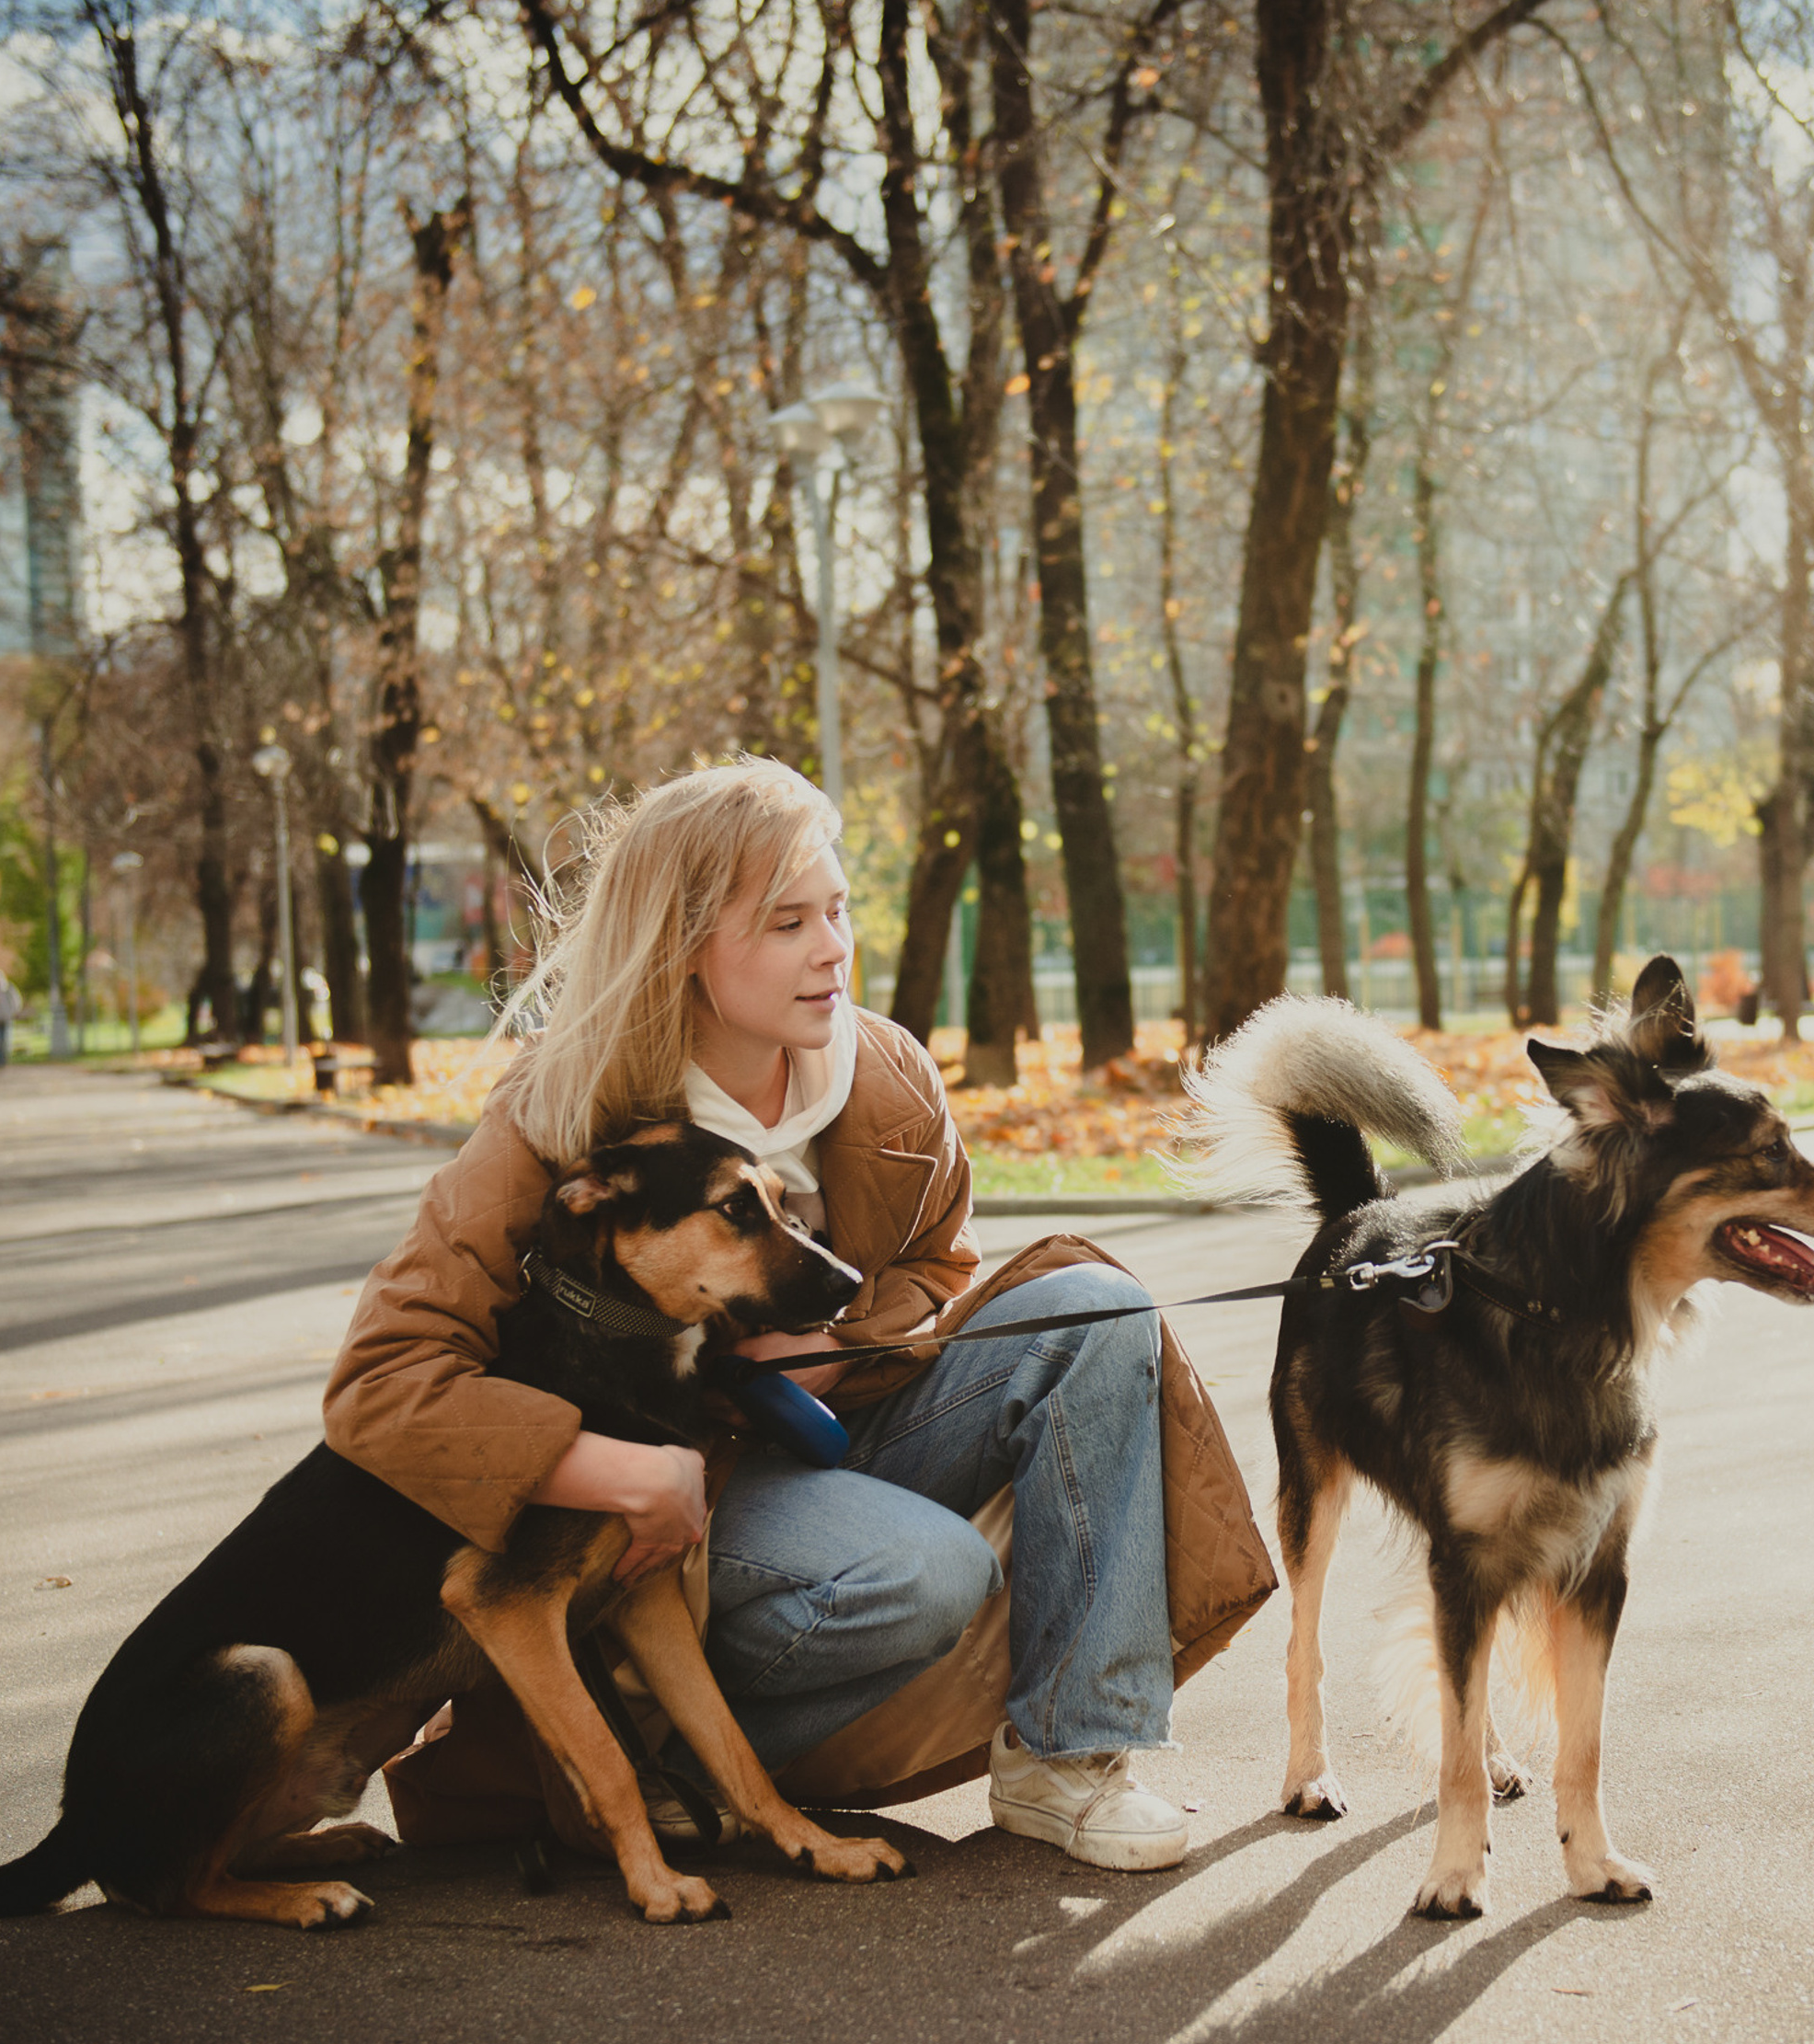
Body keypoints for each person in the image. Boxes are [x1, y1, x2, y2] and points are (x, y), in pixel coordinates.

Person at [324, 758, 1270, 1870]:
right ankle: (663, 1757)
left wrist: (838, 1340)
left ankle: (1069, 1755)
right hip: (690, 1503)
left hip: (851, 1420)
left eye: (838, 909)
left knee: (1099, 1307)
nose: (833, 948)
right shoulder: (563, 1110)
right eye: (786, 922)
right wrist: (608, 1471)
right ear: (681, 946)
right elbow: (379, 1387)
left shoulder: (886, 1073)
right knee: (926, 1573)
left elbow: (935, 1257)